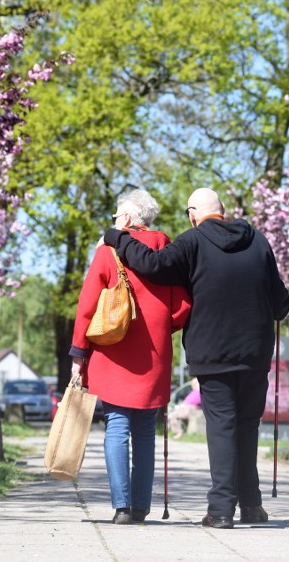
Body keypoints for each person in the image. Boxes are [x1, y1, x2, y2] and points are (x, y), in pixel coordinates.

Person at [104, 187, 289, 529]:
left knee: (222, 427)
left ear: (193, 213)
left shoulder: (193, 241)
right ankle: (251, 505)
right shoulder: (258, 241)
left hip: (212, 353)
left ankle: (220, 510)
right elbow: (280, 302)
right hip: (255, 353)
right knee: (247, 427)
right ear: (223, 210)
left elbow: (152, 265)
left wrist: (119, 238)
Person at [69, 189, 191, 525]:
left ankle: (122, 506)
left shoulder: (109, 251)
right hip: (154, 354)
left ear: (125, 220)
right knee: (145, 431)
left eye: (114, 217)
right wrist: (159, 327)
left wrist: (79, 352)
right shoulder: (169, 250)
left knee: (116, 426)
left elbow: (88, 305)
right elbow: (182, 307)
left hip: (113, 352)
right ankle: (140, 507)